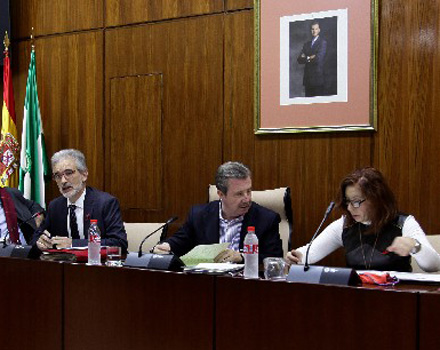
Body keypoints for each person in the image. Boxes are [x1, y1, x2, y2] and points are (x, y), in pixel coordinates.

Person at [286, 167, 440, 272]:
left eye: (357, 201)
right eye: (347, 201)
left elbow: (433, 266)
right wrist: (296, 256)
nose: (350, 208)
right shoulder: (344, 225)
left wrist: (416, 247)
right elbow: (310, 254)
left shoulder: (403, 223)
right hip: (358, 299)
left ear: (377, 199)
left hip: (397, 299)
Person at [153, 161, 283, 263]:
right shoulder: (199, 215)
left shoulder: (266, 219)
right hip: (206, 284)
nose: (247, 199)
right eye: (239, 194)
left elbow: (275, 259)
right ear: (221, 194)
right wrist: (166, 246)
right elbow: (179, 242)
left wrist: (242, 257)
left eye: (248, 191)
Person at [32, 149, 127, 252]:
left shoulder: (105, 203)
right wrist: (40, 242)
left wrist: (73, 244)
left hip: (98, 264)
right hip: (65, 265)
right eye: (58, 176)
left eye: (68, 173)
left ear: (84, 174)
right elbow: (34, 239)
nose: (63, 181)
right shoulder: (55, 206)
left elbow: (119, 243)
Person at [297, 21, 327, 97]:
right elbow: (299, 60)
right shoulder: (306, 44)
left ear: (319, 30)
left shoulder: (322, 43)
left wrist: (306, 57)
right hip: (308, 79)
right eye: (312, 29)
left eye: (316, 29)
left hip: (318, 79)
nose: (314, 31)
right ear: (310, 30)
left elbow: (318, 58)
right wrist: (310, 57)